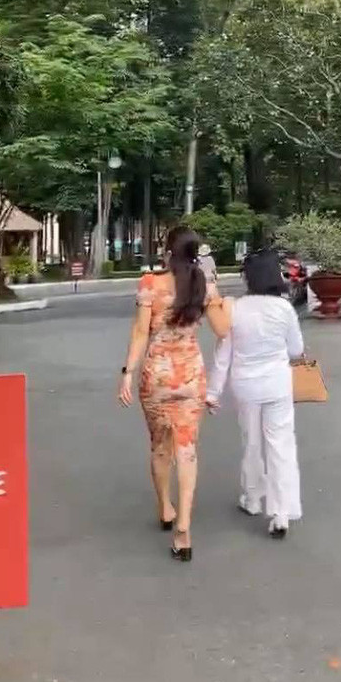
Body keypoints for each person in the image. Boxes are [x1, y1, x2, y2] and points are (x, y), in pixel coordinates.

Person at [118, 226, 231, 562]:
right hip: (190, 377)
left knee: (160, 446)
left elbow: (141, 332)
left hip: (156, 376)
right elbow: (223, 329)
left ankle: (165, 507)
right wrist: (217, 292)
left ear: (167, 252)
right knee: (186, 447)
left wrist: (127, 373)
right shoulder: (202, 284)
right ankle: (184, 525)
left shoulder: (149, 284)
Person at [206, 248, 304, 539]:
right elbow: (296, 350)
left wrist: (213, 392)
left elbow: (223, 354)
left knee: (251, 441)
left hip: (246, 385)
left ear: (249, 277)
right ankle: (281, 512)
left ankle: (252, 498)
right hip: (277, 383)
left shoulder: (235, 308)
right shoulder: (284, 308)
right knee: (281, 444)